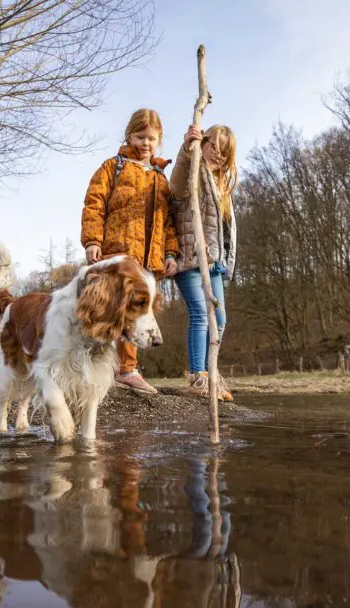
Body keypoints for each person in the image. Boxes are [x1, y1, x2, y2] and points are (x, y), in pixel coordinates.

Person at [81, 108, 179, 395]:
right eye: (140, 137)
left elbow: (169, 220)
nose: (145, 144)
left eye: (151, 138)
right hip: (117, 255)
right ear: (129, 136)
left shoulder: (161, 177)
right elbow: (93, 204)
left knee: (137, 314)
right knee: (107, 310)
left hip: (150, 259)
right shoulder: (113, 167)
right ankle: (92, 366)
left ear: (159, 140)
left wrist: (171, 253)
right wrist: (92, 240)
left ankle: (127, 370)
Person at [169, 124, 238, 401]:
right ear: (204, 142)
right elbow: (175, 187)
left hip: (213, 263)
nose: (218, 155)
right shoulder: (193, 172)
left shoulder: (222, 186)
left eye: (225, 153)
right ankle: (198, 377)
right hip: (190, 258)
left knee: (219, 319)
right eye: (213, 147)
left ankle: (212, 374)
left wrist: (224, 260)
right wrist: (188, 149)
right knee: (200, 314)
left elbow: (226, 230)